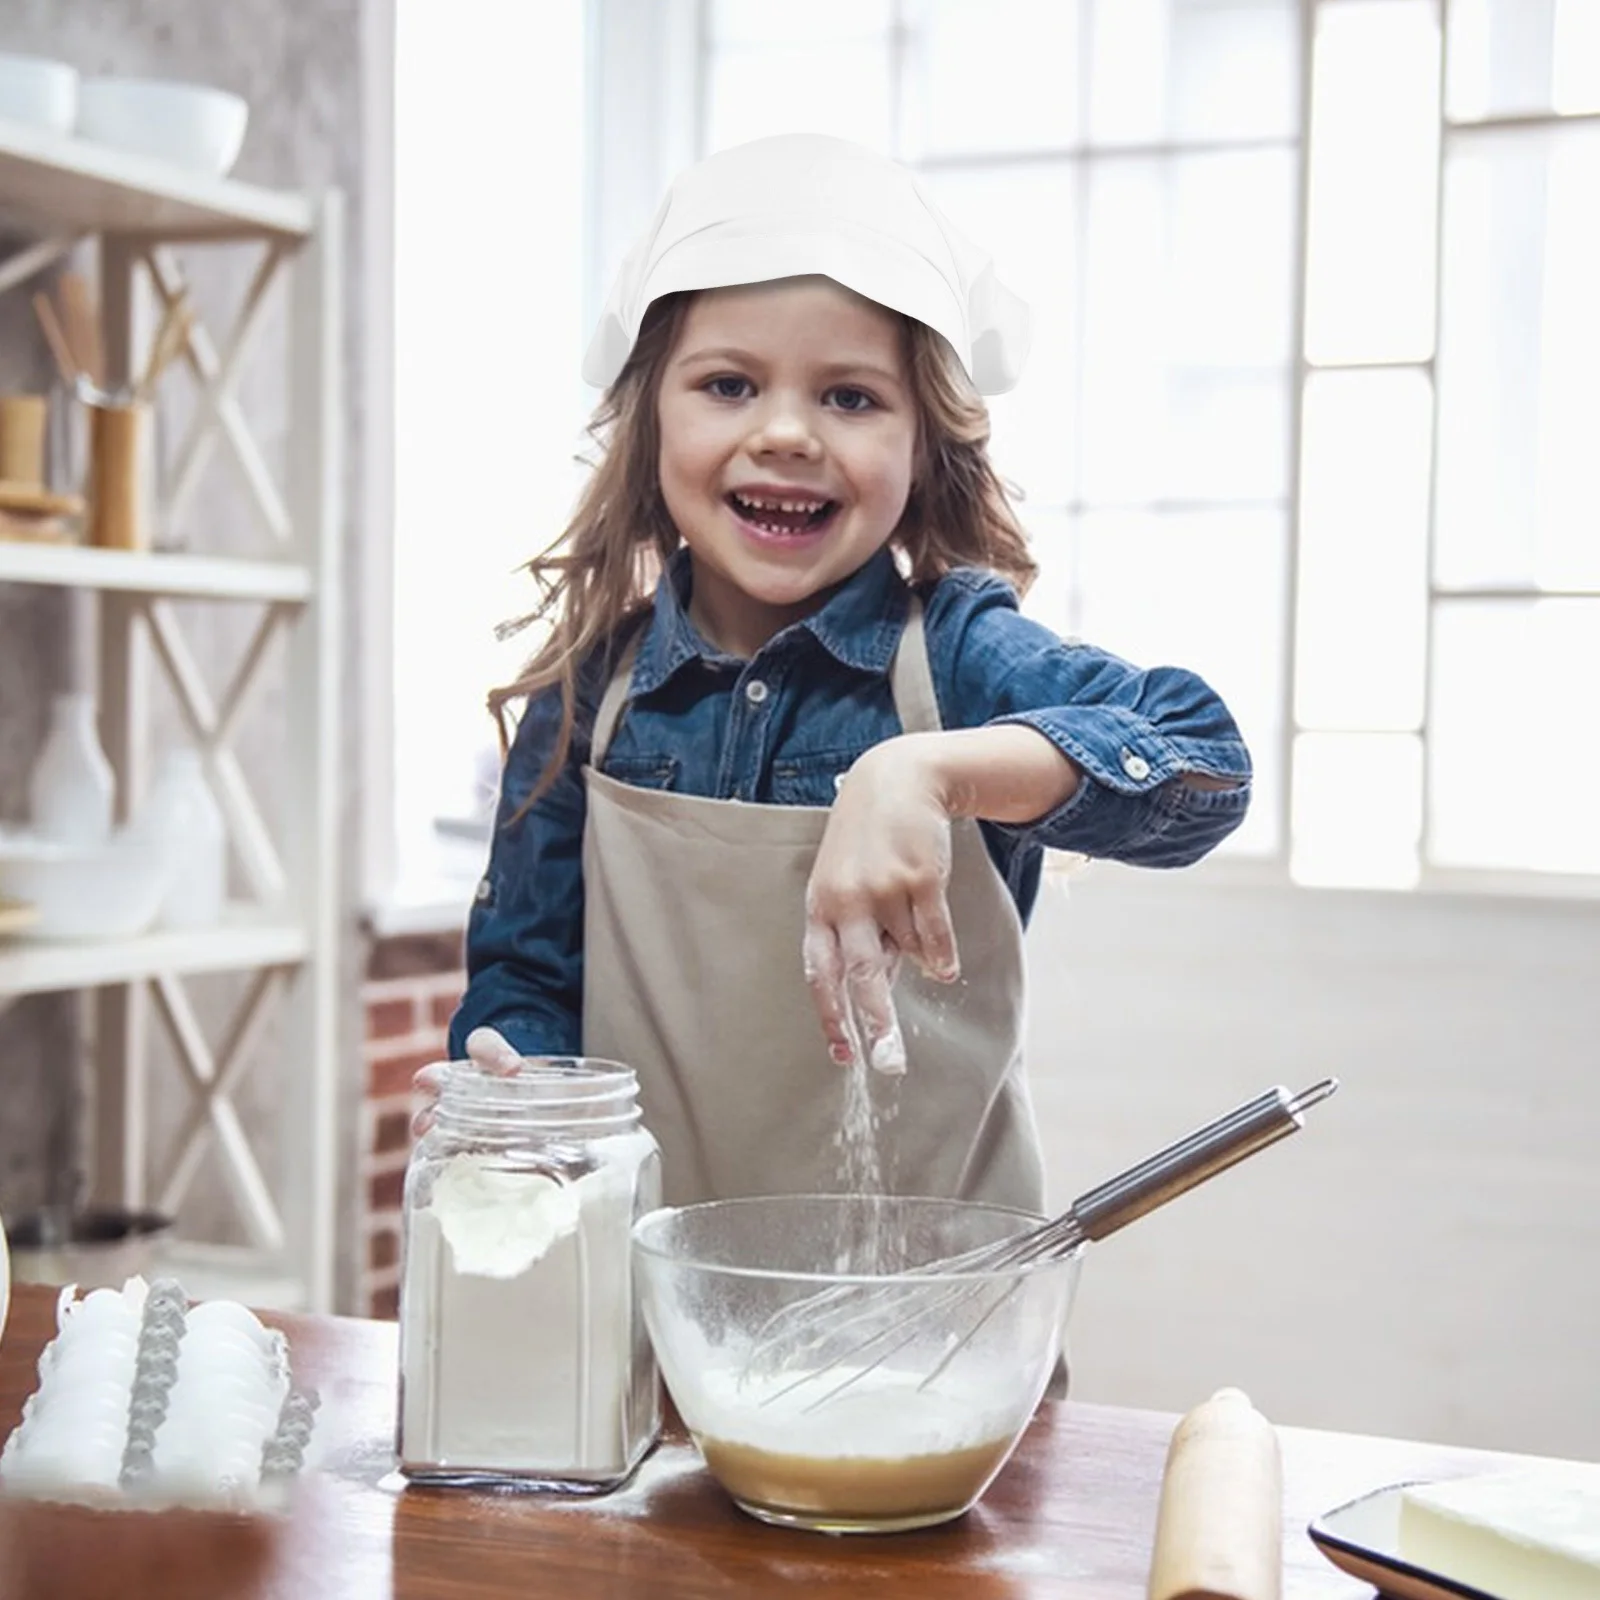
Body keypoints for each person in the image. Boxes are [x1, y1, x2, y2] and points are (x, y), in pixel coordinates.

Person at [428, 133, 1251, 1212]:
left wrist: (926, 774)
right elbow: (529, 983)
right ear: (650, 423)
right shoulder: (588, 695)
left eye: (850, 398)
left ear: (924, 447)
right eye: (727, 383)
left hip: (925, 1319)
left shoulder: (956, 658)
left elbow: (1203, 762)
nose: (784, 433)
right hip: (646, 1307)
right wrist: (518, 1093)